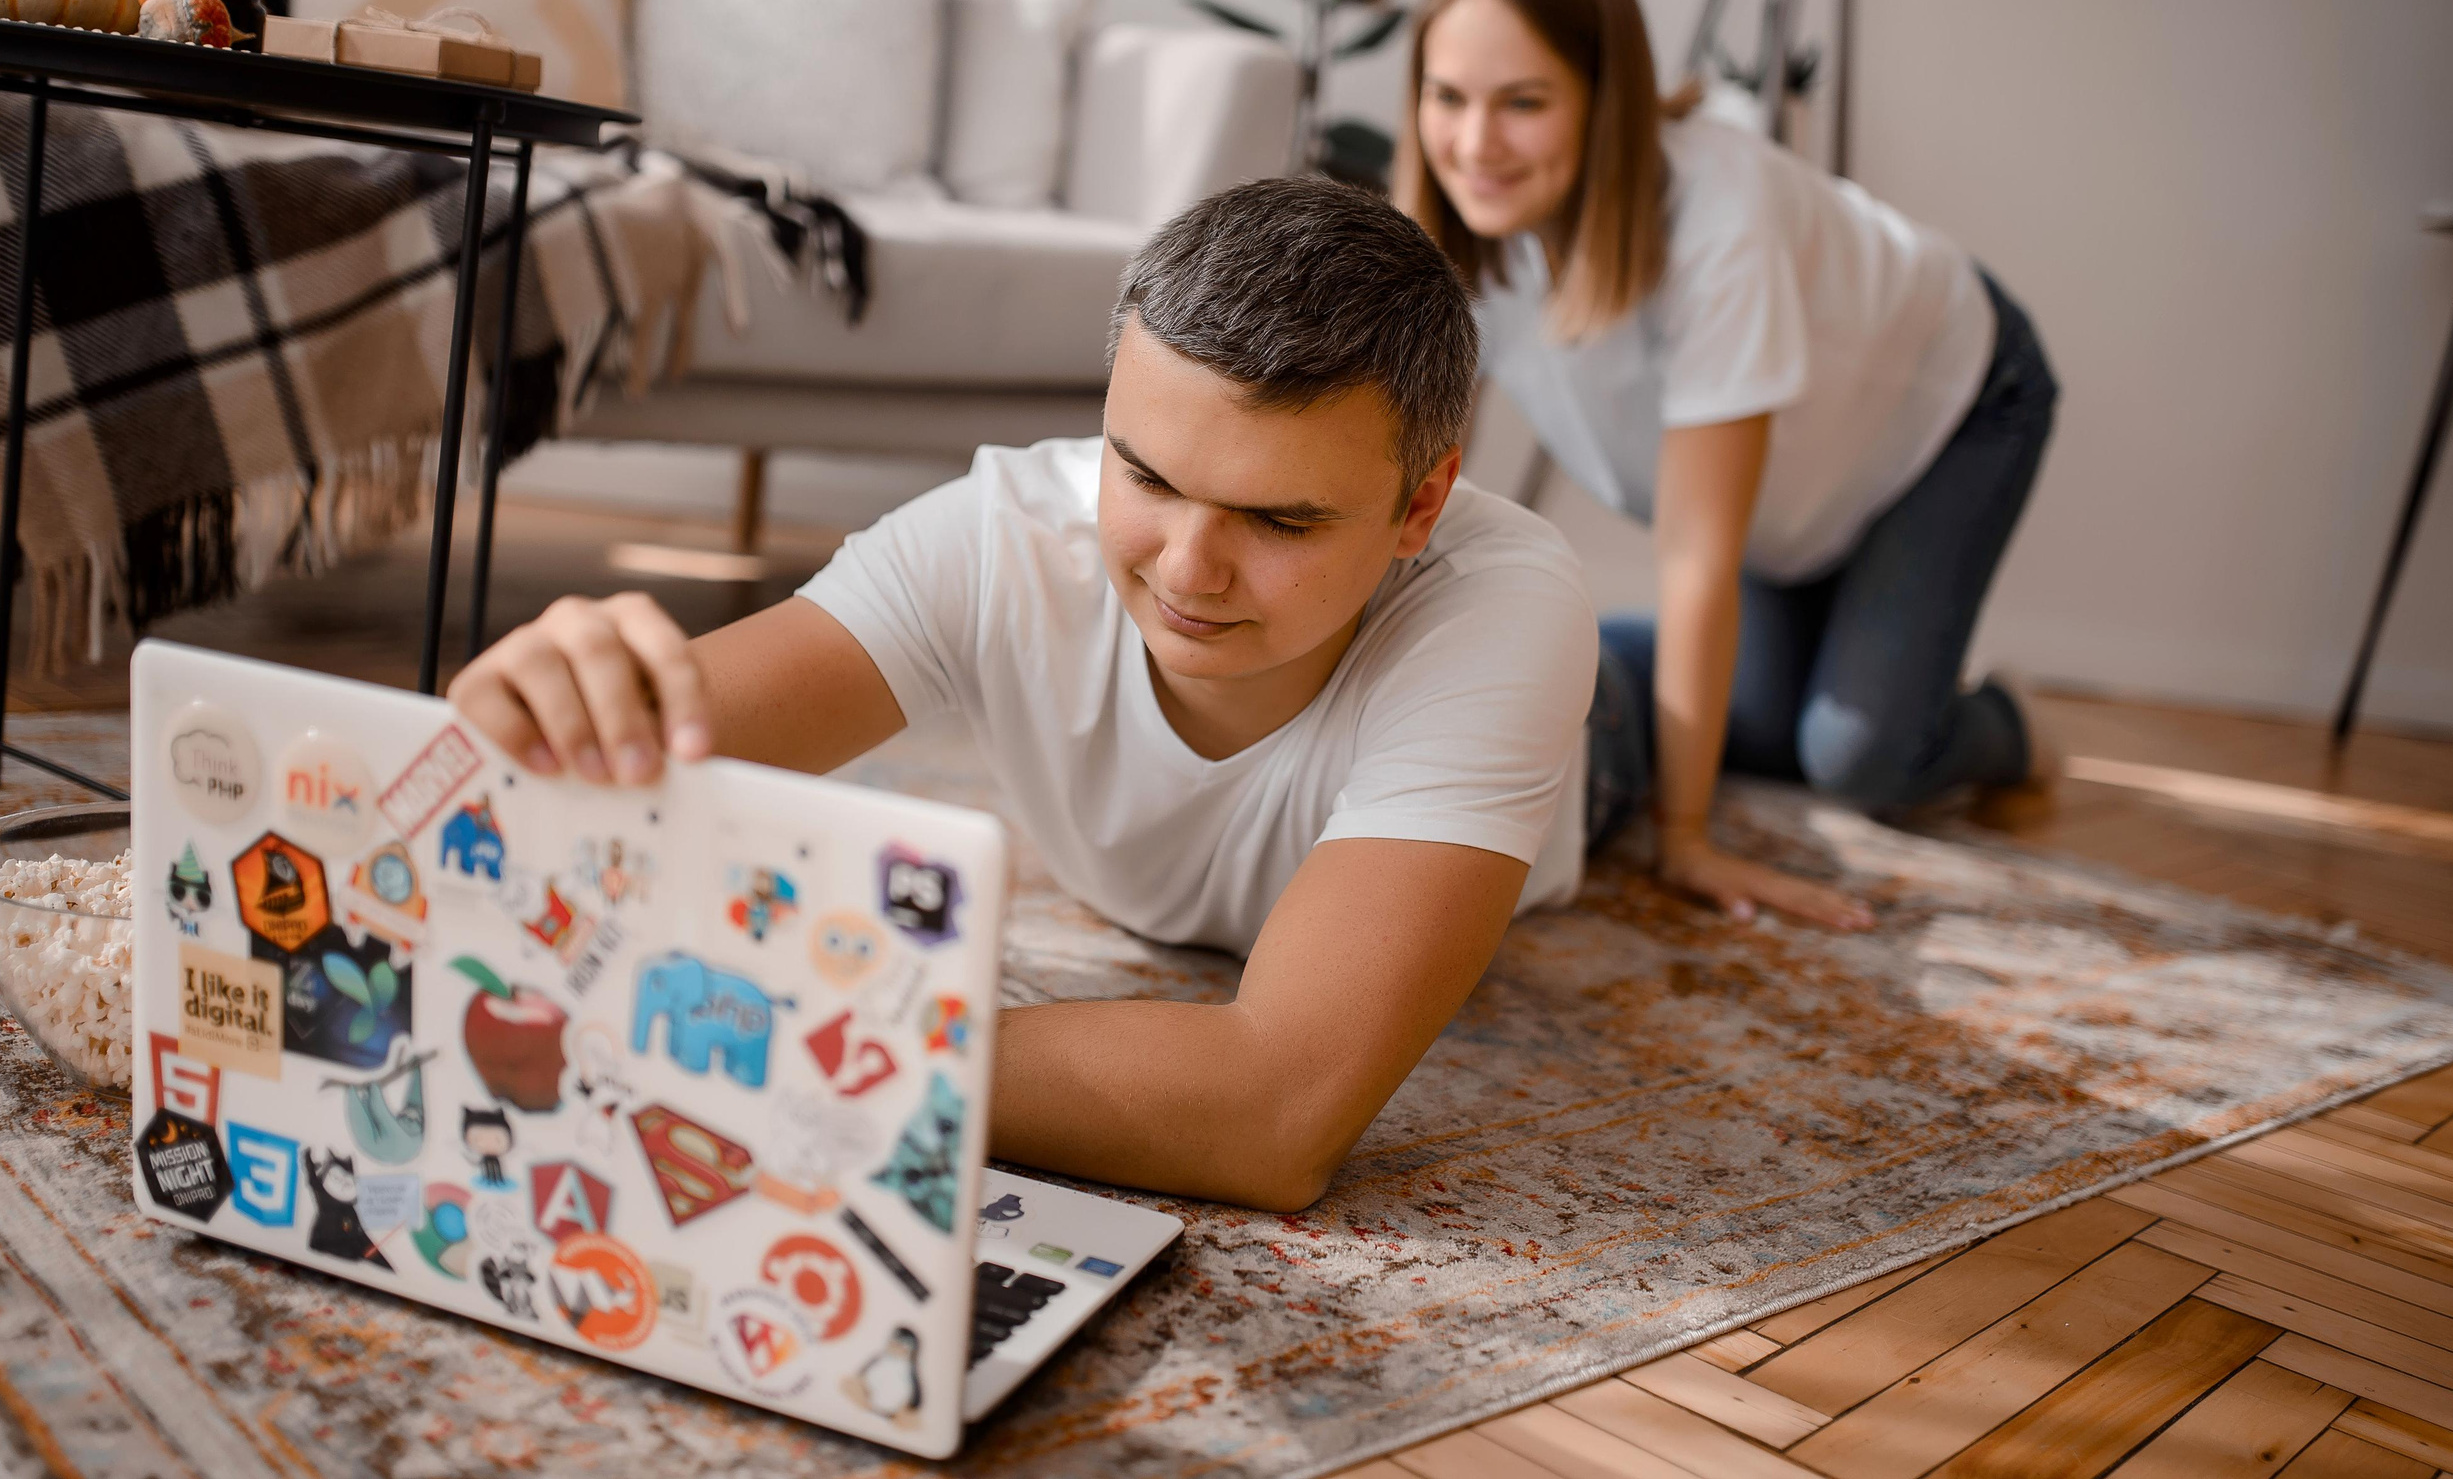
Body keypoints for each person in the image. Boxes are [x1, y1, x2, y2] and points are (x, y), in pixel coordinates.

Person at [449, 178, 1599, 1213]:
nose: (1187, 568)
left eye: (1280, 519)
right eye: (1144, 473)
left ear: (1419, 504)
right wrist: (542, 712)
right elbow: (630, 755)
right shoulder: (1004, 532)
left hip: (1590, 753)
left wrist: (803, 1052)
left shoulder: (1504, 615)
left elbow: (1273, 1115)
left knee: (1735, 716)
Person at [1397, 0, 2060, 932]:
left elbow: (1697, 558)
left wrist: (1686, 836)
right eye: (1447, 97)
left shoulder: (1719, 218)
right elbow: (1420, 481)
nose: (1473, 145)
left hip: (1949, 407)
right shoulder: (1468, 235)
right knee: (1748, 722)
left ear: (1601, 98)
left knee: (1857, 759)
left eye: (1521, 102)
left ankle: (2007, 724)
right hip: (1796, 481)